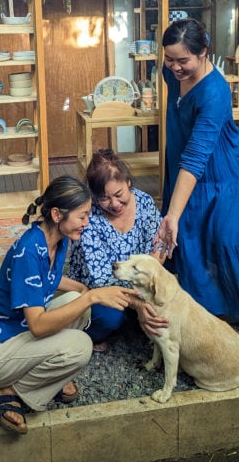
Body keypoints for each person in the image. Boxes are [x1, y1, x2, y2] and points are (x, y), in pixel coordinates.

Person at [0, 176, 137, 434]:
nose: (86, 222)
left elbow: (50, 277)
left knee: (77, 303)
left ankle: (37, 379)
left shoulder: (58, 240)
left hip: (15, 335)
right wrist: (92, 296)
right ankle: (10, 390)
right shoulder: (29, 249)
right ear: (57, 214)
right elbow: (37, 326)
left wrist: (82, 290)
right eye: (82, 216)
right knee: (81, 346)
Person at [154, 18, 239, 343]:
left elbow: (198, 155)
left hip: (219, 174)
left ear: (204, 53)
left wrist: (171, 215)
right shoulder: (171, 72)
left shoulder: (215, 92)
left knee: (228, 238)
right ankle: (204, 310)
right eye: (170, 58)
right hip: (183, 172)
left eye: (184, 60)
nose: (175, 67)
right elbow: (188, 154)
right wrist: (175, 213)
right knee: (192, 242)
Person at [68, 150, 168, 351]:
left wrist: (146, 288)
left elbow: (159, 248)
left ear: (128, 183)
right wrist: (138, 303)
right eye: (104, 198)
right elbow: (100, 279)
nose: (114, 204)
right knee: (109, 318)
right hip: (101, 290)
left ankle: (130, 322)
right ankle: (87, 333)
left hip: (138, 284)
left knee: (166, 307)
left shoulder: (145, 203)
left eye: (118, 194)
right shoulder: (89, 218)